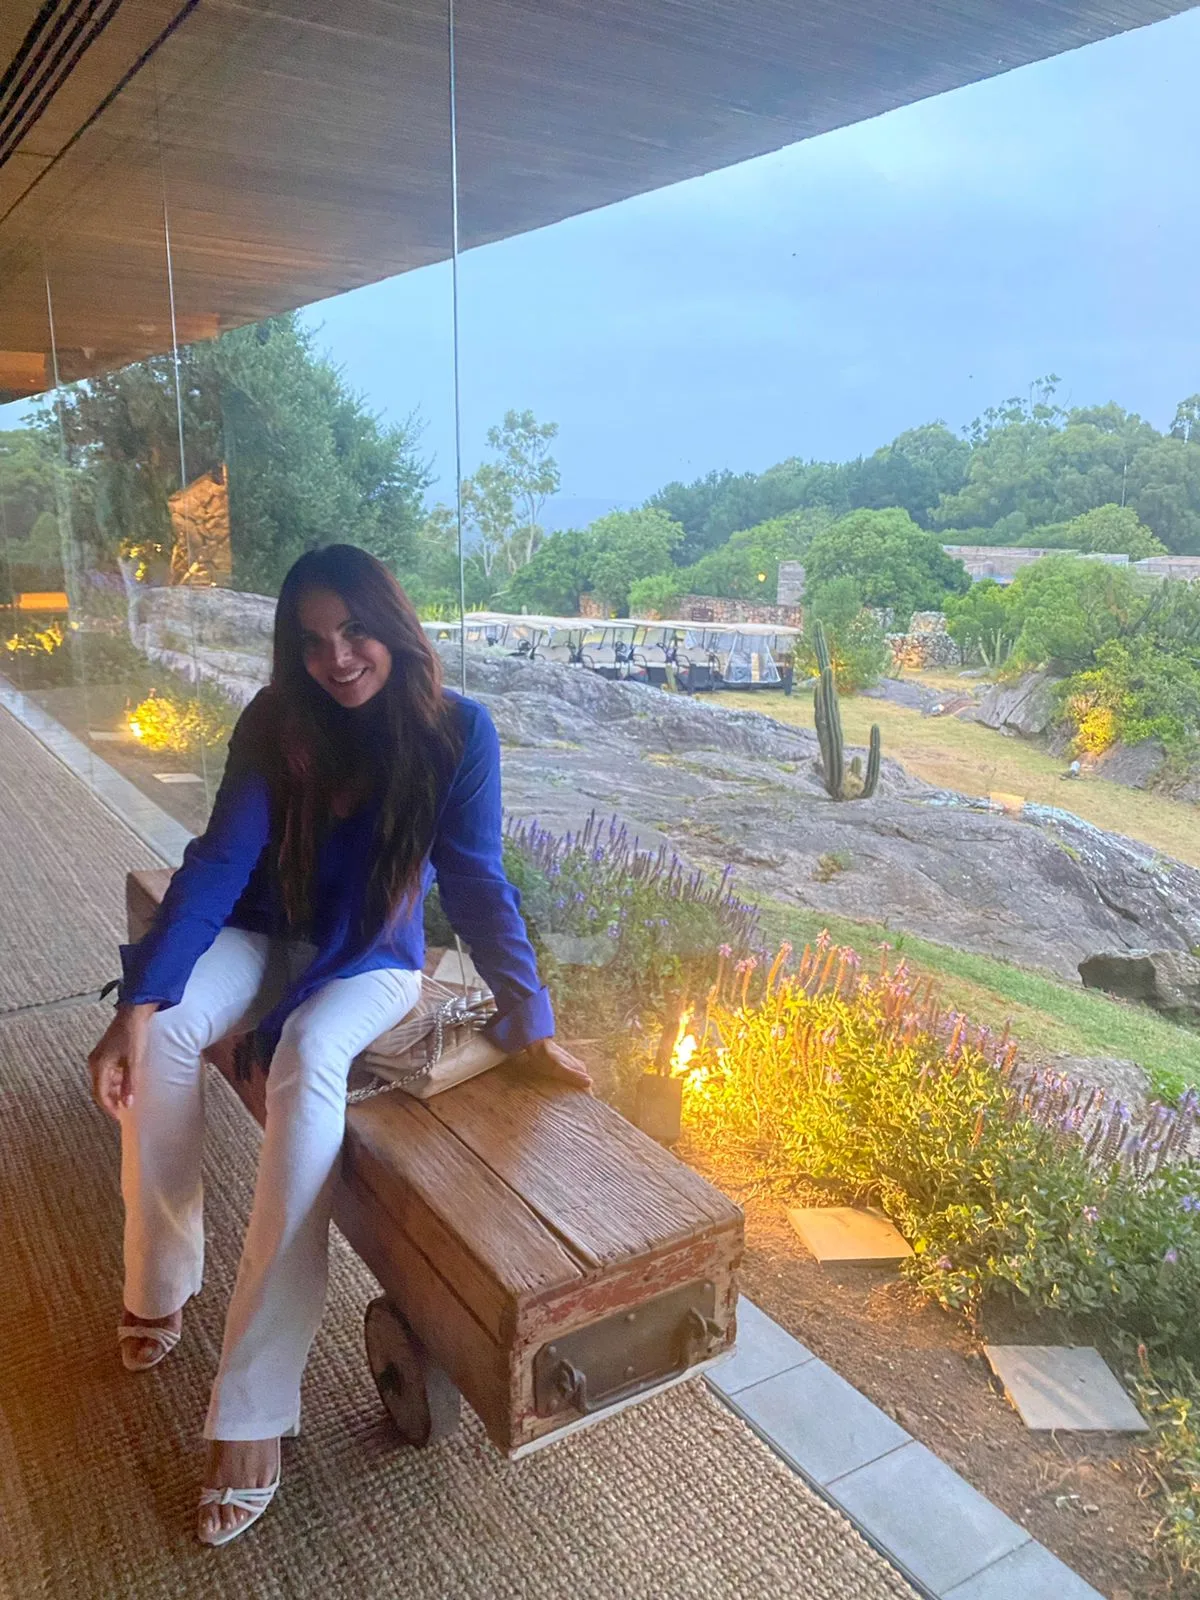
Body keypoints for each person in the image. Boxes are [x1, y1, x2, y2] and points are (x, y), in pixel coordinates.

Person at [87, 544, 590, 1547]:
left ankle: (254, 1406)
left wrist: (529, 1017)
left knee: (309, 1056)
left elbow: (477, 882)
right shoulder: (277, 722)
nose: (338, 657)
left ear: (392, 627)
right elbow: (219, 863)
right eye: (314, 640)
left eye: (355, 630)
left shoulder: (457, 733)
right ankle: (159, 1282)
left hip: (371, 956)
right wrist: (136, 1006)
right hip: (264, 929)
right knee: (172, 1029)